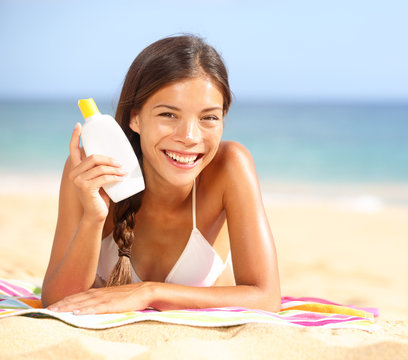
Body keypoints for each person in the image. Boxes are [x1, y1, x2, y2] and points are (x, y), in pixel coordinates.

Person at [41, 35, 281, 314]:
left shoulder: (230, 167)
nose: (190, 137)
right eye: (168, 114)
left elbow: (265, 297)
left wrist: (148, 293)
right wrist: (94, 218)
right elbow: (57, 301)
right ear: (135, 118)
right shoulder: (92, 171)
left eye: (209, 117)